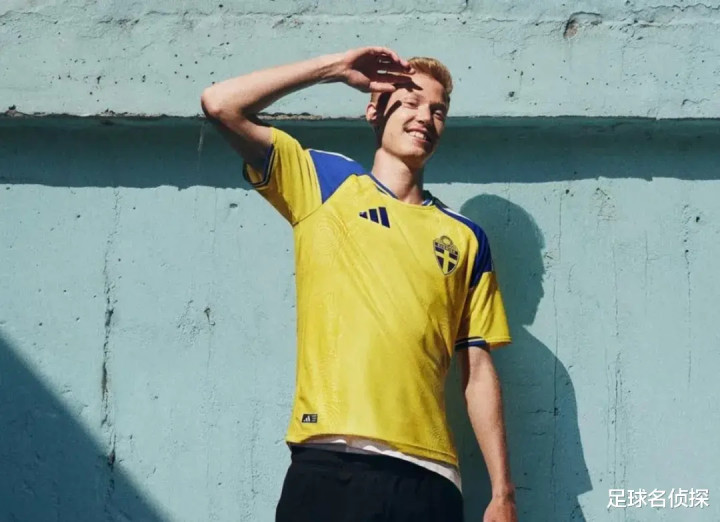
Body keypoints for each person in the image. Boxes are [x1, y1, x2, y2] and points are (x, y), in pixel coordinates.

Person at [201, 47, 517, 522]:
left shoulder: (467, 238)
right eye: (410, 101)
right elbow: (220, 104)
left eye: (438, 111)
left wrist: (502, 492)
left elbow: (476, 367)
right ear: (374, 110)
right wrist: (333, 69)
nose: (425, 117)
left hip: (431, 480)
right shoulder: (324, 182)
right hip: (331, 464)